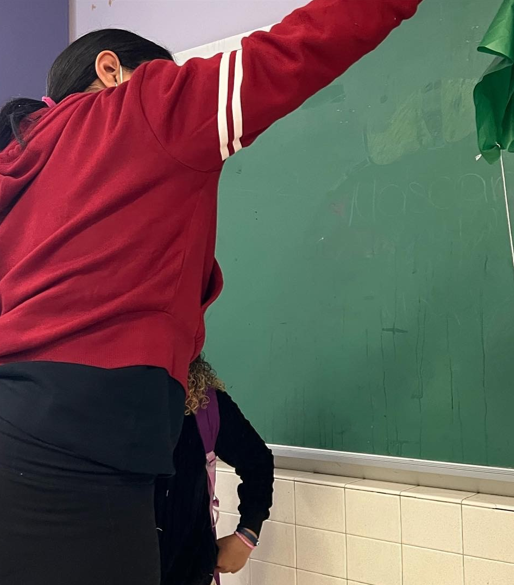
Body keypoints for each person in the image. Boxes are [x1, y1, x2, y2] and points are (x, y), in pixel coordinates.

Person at [0, 1, 424, 584]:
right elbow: (292, 52)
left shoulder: (22, 158)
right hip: (80, 445)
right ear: (110, 70)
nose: (173, 82)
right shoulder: (143, 106)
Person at [156, 355, 274, 585]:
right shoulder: (98, 399)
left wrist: (247, 534)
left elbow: (257, 461)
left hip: (189, 569)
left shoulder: (204, 404)